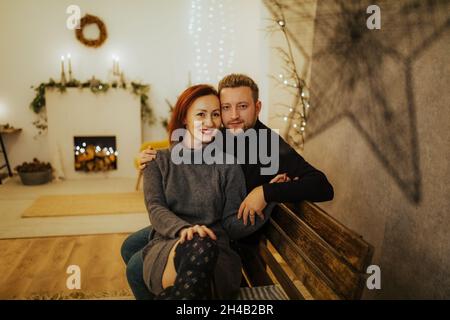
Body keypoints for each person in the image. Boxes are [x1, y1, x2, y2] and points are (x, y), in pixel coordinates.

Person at [121, 74, 334, 299]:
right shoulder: (220, 131)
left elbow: (322, 186)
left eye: (242, 106)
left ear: (257, 107)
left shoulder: (269, 145)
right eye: (225, 108)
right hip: (194, 218)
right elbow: (190, 147)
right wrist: (156, 157)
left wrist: (266, 192)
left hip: (227, 229)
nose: (233, 116)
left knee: (136, 266)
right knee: (129, 247)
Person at [138, 84, 274, 300]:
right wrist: (185, 229)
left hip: (217, 253)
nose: (210, 122)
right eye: (201, 114)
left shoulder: (228, 165)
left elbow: (231, 224)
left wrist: (271, 196)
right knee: (197, 243)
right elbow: (155, 208)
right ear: (184, 118)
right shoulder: (158, 161)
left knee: (199, 253)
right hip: (170, 246)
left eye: (215, 114)